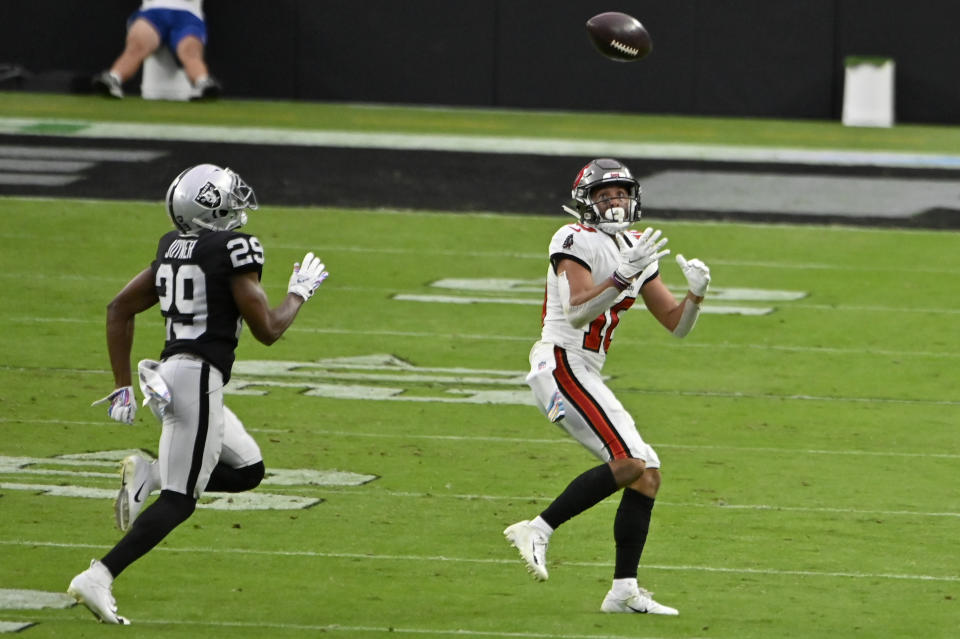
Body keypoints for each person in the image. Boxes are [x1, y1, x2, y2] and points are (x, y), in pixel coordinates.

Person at [67, 164, 329, 624]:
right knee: (180, 500)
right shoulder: (232, 248)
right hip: (196, 381)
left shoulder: (173, 247)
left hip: (175, 374)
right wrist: (299, 294)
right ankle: (100, 575)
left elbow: (118, 308)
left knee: (249, 470)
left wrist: (120, 387)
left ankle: (149, 474)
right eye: (228, 195)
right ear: (209, 206)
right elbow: (268, 329)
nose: (238, 201)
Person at [503, 158, 711, 616]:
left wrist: (696, 294)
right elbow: (576, 311)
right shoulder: (572, 237)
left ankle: (623, 590)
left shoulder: (639, 245)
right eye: (604, 195)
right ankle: (537, 528)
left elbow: (676, 325)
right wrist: (619, 276)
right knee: (628, 461)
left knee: (647, 474)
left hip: (587, 369)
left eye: (619, 193)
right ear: (586, 202)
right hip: (559, 361)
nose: (614, 201)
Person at [92, 0, 221, 99]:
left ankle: (203, 82)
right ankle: (114, 78)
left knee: (189, 50)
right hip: (154, 10)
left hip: (188, 14)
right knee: (138, 44)